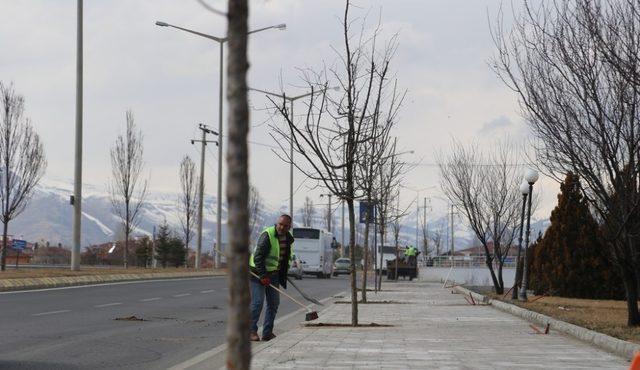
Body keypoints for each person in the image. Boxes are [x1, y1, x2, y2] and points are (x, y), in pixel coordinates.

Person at [249, 214, 294, 342]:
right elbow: (258, 257)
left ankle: (267, 333)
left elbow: (284, 258)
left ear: (289, 227)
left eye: (285, 226)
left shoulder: (288, 239)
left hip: (273, 274)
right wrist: (263, 276)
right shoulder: (267, 235)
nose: (282, 227)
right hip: (257, 273)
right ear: (277, 223)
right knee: (257, 303)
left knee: (274, 303)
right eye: (280, 224)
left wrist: (282, 273)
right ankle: (251, 331)